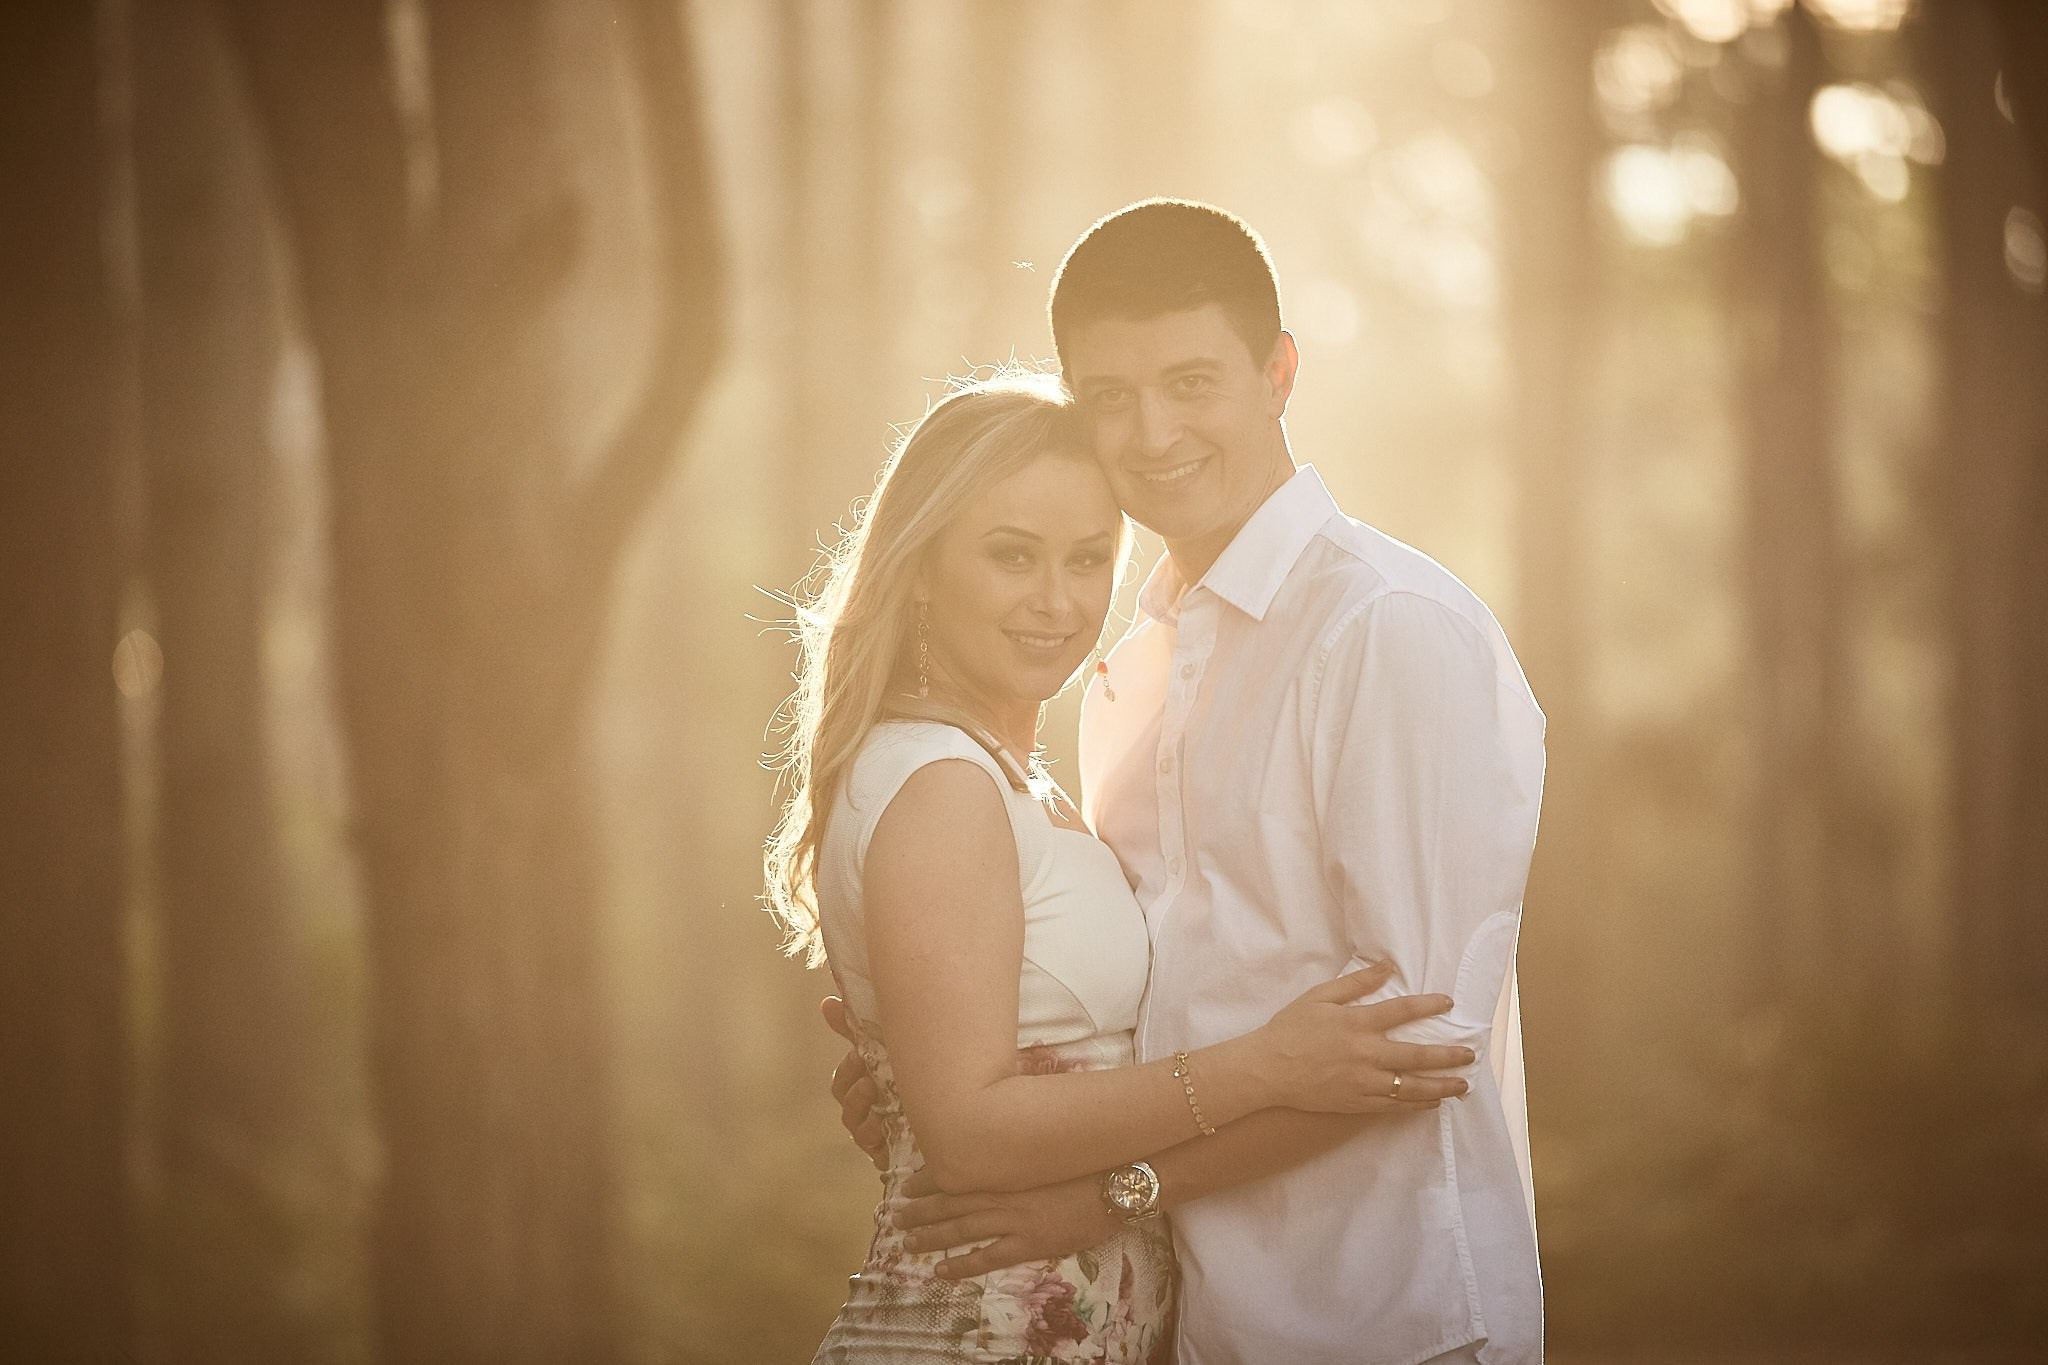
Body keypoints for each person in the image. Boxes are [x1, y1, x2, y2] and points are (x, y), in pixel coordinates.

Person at [828, 200, 1547, 1365]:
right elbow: (1149, 993)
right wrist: (940, 1073)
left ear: (1278, 372)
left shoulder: (1384, 629)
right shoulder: (1127, 668)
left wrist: (1113, 1192)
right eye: (1107, 395)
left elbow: (1407, 1049)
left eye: (1190, 382)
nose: (1151, 431)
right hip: (1185, 1323)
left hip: (1372, 1317)